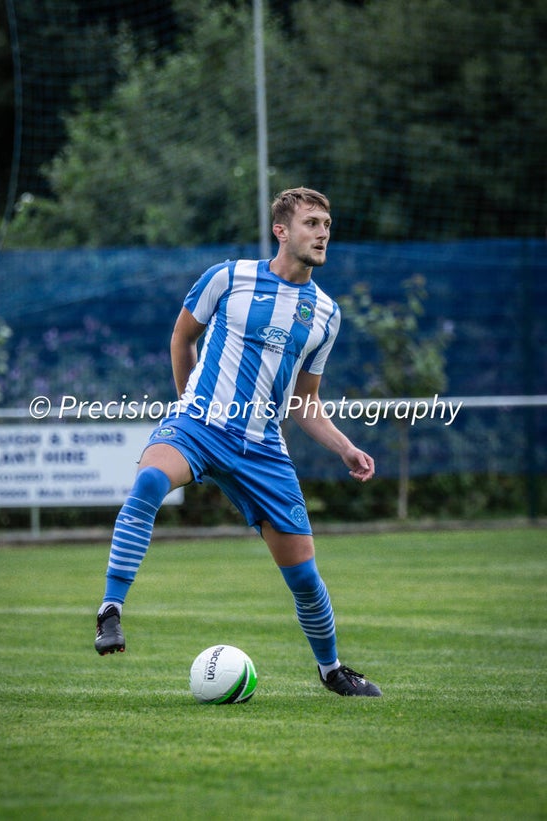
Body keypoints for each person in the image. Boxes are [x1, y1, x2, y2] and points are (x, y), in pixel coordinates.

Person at [94, 187, 382, 697]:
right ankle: (110, 608)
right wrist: (190, 407)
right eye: (312, 223)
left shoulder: (324, 313)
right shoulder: (227, 277)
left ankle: (331, 669)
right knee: (149, 482)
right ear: (282, 231)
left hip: (263, 449)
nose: (322, 234)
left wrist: (345, 447)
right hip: (199, 426)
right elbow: (182, 339)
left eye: (327, 225)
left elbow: (305, 400)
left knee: (305, 577)